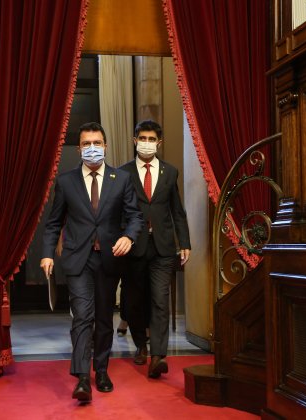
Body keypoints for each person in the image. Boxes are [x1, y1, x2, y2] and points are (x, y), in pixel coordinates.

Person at [40, 122, 143, 402]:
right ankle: (83, 377)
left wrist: (129, 238)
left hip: (109, 259)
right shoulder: (65, 182)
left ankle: (102, 370)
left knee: (103, 319)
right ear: (79, 149)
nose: (92, 148)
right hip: (77, 259)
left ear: (106, 146)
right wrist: (48, 253)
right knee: (82, 316)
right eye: (87, 144)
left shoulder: (120, 179)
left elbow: (135, 216)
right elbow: (52, 223)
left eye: (97, 143)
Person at [120, 119, 191, 378]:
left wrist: (184, 242)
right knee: (135, 300)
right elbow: (118, 212)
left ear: (159, 142)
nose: (147, 143)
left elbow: (177, 210)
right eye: (143, 138)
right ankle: (141, 344)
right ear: (134, 140)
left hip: (163, 246)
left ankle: (158, 356)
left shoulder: (170, 173)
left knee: (160, 299)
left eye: (152, 139)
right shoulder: (122, 173)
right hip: (134, 246)